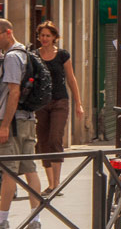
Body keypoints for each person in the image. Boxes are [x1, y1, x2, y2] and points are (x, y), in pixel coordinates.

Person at [0, 18, 42, 229]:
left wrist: (4, 126)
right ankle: (35, 220)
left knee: (8, 169)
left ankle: (1, 221)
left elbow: (14, 92)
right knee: (30, 169)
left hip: (13, 123)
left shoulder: (11, 57)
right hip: (28, 119)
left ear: (7, 33)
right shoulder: (26, 54)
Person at [32, 21, 85, 196]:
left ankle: (57, 183)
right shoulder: (34, 55)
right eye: (42, 35)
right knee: (43, 140)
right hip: (41, 103)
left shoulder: (62, 55)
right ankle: (51, 183)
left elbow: (71, 79)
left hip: (60, 101)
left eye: (48, 35)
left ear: (55, 37)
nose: (44, 38)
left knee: (55, 137)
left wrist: (78, 103)